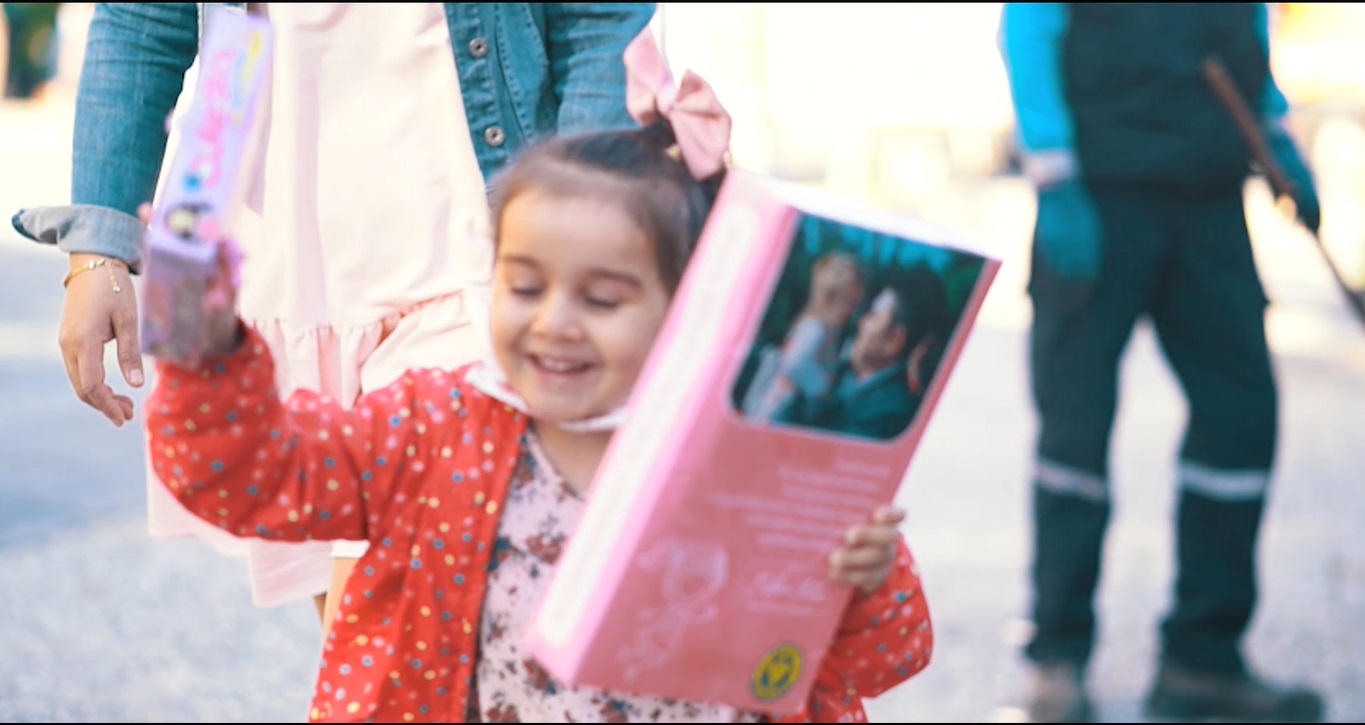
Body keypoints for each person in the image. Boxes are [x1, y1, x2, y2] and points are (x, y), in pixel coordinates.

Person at [138, 35, 934, 723]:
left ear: (689, 305)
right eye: (524, 285)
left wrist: (867, 579)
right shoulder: (431, 425)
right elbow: (254, 475)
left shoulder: (754, 460)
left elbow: (879, 658)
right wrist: (205, 351)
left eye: (601, 298)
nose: (553, 320)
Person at [12, 2, 656, 633]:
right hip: (262, 239)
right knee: (365, 639)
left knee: (391, 603)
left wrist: (583, 212)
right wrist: (97, 250)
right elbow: (144, 18)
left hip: (471, 235)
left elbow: (598, 18)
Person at [997, 3, 1324, 722]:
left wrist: (1278, 139)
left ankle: (1202, 658)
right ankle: (1056, 658)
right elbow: (1028, 29)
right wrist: (1054, 176)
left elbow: (1246, 46)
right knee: (1074, 434)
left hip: (1208, 205)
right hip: (1095, 194)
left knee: (1240, 418)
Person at [791, 266, 946, 441]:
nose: (861, 322)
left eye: (872, 315)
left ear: (893, 341)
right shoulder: (837, 374)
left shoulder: (888, 416)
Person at [741, 252, 865, 425]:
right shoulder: (815, 329)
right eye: (848, 302)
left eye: (854, 303)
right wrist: (823, 388)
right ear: (828, 297)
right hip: (780, 409)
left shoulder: (825, 330)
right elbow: (795, 363)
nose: (851, 311)